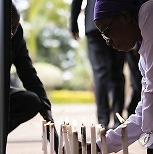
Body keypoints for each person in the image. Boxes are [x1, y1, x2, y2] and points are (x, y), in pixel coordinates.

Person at [91, 0, 153, 153]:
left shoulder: (152, 11)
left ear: (125, 17)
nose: (108, 42)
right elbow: (145, 111)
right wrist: (100, 146)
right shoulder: (144, 55)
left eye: (106, 32)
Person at [70, 0, 142, 130]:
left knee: (100, 73)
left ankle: (103, 121)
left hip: (94, 22)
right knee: (117, 74)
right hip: (116, 18)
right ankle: (117, 120)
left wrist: (73, 23)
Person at [10, 3, 59, 153]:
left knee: (31, 101)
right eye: (8, 29)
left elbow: (27, 72)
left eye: (15, 28)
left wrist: (46, 110)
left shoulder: (16, 34)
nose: (12, 34)